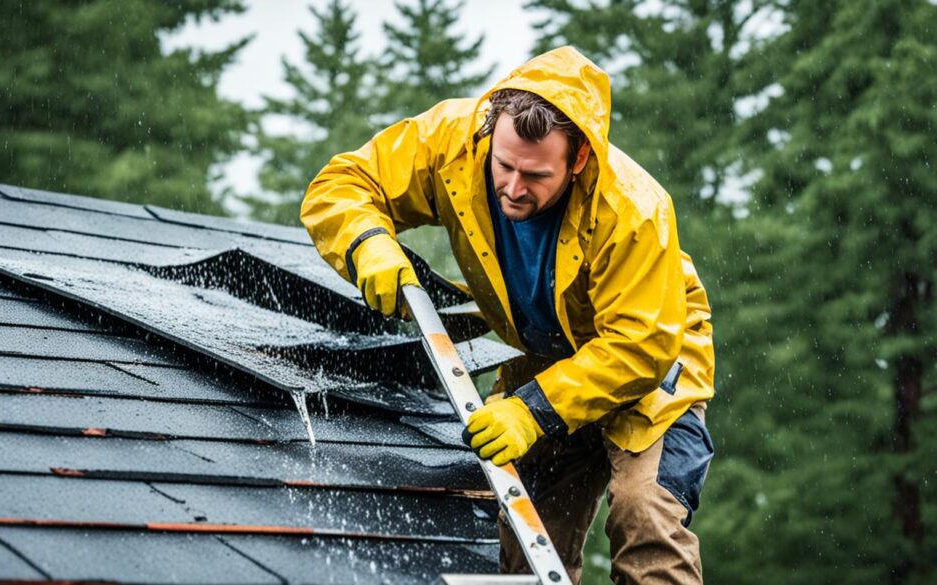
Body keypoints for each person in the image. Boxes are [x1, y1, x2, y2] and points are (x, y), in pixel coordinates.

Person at [301, 46, 715, 584]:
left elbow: (641, 345)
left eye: (537, 175)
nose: (513, 188)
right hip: (542, 357)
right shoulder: (453, 140)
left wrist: (531, 412)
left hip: (647, 373)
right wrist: (367, 242)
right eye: (504, 165)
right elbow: (344, 184)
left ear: (580, 158)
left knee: (644, 515)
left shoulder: (634, 209)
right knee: (528, 534)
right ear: (491, 132)